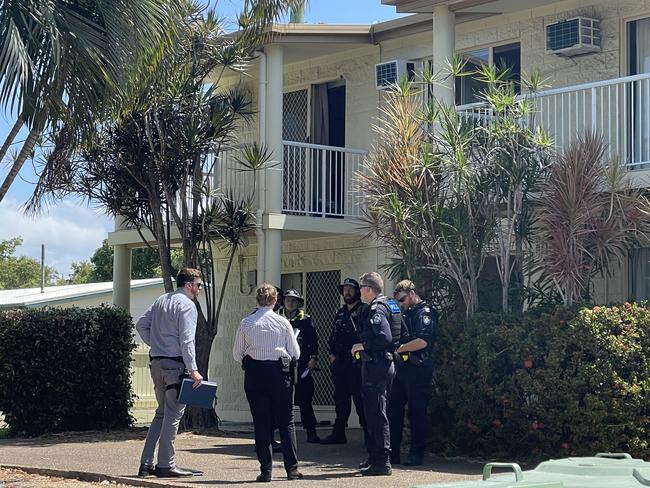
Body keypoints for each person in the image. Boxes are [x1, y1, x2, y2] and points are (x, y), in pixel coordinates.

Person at [136, 268, 204, 478]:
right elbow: (187, 340)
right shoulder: (187, 305)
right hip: (174, 365)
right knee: (173, 415)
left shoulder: (161, 300)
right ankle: (166, 464)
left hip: (156, 362)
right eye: (198, 285)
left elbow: (140, 324)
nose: (199, 289)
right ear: (189, 285)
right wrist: (193, 370)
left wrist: (155, 343)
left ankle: (146, 464)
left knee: (161, 414)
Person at [233, 283, 303, 482]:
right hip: (279, 374)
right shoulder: (282, 322)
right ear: (275, 301)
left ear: (257, 300)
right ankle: (292, 470)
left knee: (261, 423)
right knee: (286, 421)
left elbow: (237, 354)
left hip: (255, 374)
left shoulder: (246, 323)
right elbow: (295, 353)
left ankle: (266, 471)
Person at [351, 272, 401, 476]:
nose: (359, 292)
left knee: (377, 413)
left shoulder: (377, 308)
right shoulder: (390, 304)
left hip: (378, 365)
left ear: (368, 289)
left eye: (361, 288)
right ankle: (374, 456)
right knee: (372, 412)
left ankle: (382, 462)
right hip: (382, 363)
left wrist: (361, 345)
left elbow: (384, 338)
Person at [388, 280, 437, 467]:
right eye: (398, 300)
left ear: (412, 293)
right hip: (402, 369)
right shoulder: (405, 314)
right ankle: (392, 452)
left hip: (418, 370)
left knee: (417, 412)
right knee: (394, 410)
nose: (400, 303)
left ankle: (417, 454)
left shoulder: (425, 313)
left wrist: (399, 349)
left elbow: (422, 341)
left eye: (402, 299)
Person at [320, 277, 368, 445]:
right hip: (340, 362)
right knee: (340, 399)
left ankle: (369, 436)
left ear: (357, 291)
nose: (347, 292)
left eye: (351, 289)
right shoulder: (340, 312)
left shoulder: (364, 311)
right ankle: (338, 433)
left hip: (357, 362)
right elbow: (333, 335)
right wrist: (331, 355)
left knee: (360, 399)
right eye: (345, 289)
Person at [278, 289, 320, 443]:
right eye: (288, 300)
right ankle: (282, 435)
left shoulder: (306, 319)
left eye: (294, 300)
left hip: (302, 365)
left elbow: (313, 341)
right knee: (281, 400)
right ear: (283, 301)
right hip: (281, 364)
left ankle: (311, 431)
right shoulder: (276, 318)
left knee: (305, 399)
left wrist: (313, 358)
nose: (290, 302)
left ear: (298, 303)